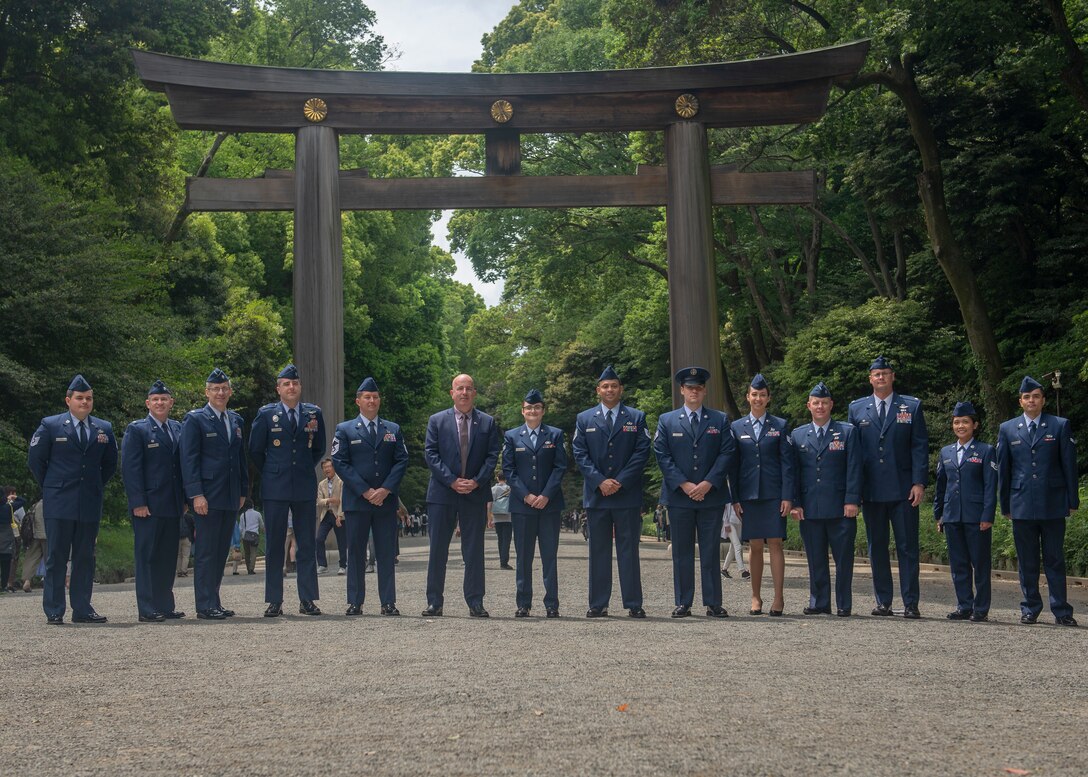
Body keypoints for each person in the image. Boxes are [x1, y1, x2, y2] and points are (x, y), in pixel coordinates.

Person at [27, 374, 118, 624]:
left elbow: (110, 464)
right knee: (56, 557)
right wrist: (52, 485)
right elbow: (36, 461)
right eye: (79, 398)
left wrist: (94, 485)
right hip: (59, 502)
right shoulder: (51, 425)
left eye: (88, 398)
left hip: (89, 501)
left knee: (85, 557)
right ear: (68, 400)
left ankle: (82, 609)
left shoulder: (103, 428)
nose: (84, 402)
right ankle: (54, 610)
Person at [848, 356, 928, 619]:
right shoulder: (857, 409)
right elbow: (854, 453)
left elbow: (919, 446)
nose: (880, 377)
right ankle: (883, 601)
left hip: (903, 489)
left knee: (907, 547)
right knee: (877, 547)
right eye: (876, 374)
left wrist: (919, 482)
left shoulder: (911, 406)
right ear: (870, 378)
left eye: (885, 373)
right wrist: (855, 490)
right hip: (872, 490)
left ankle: (911, 602)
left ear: (892, 376)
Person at [997, 376, 1079, 626]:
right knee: (1027, 560)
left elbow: (1069, 465)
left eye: (1035, 396)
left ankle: (1061, 610)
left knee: (1054, 558)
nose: (1031, 400)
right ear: (1020, 401)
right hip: (1021, 503)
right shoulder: (1008, 428)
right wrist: (1005, 504)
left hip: (1053, 502)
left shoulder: (1059, 425)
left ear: (1043, 400)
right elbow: (1004, 470)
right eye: (1027, 397)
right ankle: (1030, 607)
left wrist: (1072, 500)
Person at [654, 367, 735, 618]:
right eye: (690, 388)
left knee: (710, 550)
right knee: (682, 552)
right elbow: (662, 455)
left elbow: (727, 453)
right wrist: (685, 484)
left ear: (704, 391)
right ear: (682, 390)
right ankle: (683, 602)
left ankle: (713, 602)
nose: (694, 392)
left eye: (698, 388)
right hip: (680, 496)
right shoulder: (667, 420)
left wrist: (708, 482)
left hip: (711, 495)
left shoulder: (719, 419)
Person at [572, 365, 651, 619]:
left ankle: (633, 603)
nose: (609, 390)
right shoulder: (584, 418)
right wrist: (600, 481)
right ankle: (598, 603)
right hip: (597, 495)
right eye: (605, 386)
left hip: (626, 494)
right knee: (598, 551)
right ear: (598, 390)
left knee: (629, 551)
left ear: (621, 389)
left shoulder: (636, 417)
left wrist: (619, 481)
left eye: (614, 386)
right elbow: (579, 453)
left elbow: (642, 452)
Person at [249, 363, 326, 617]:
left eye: (294, 383)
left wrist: (301, 468)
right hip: (275, 487)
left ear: (300, 386)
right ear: (278, 389)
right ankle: (274, 600)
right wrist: (274, 470)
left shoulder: (313, 414)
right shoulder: (266, 414)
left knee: (306, 544)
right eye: (286, 384)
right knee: (274, 545)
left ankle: (307, 599)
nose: (291, 387)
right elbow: (256, 450)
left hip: (303, 485)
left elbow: (319, 448)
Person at [422, 374, 500, 618]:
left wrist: (476, 481)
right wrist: (452, 481)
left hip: (475, 493)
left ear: (474, 393)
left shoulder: (487, 422)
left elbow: (492, 455)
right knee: (438, 550)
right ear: (452, 393)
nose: (464, 393)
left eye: (468, 388)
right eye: (460, 388)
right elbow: (431, 454)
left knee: (474, 550)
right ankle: (434, 602)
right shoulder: (436, 420)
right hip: (442, 493)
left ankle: (475, 602)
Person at [331, 377, 409, 616]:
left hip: (385, 501)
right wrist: (364, 490)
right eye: (367, 397)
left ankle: (388, 602)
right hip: (357, 501)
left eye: (375, 397)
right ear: (358, 401)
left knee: (386, 553)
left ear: (379, 400)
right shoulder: (345, 429)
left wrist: (385, 489)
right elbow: (339, 462)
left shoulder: (392, 429)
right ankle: (355, 602)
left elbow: (401, 460)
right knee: (355, 552)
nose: (372, 401)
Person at [179, 368, 249, 621]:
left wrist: (243, 490)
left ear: (230, 392)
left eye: (224, 388)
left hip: (230, 495)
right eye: (215, 389)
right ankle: (205, 604)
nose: (220, 393)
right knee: (207, 551)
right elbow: (189, 460)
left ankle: (214, 600)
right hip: (207, 496)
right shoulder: (195, 419)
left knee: (220, 552)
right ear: (206, 392)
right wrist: (196, 494)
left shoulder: (236, 420)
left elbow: (240, 459)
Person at [789, 382, 862, 617]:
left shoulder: (847, 432)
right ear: (808, 406)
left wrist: (852, 500)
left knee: (844, 560)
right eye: (816, 403)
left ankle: (843, 604)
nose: (820, 406)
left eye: (824, 403)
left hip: (841, 507)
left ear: (831, 405)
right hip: (810, 507)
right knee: (815, 558)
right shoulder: (798, 435)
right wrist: (795, 503)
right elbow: (793, 472)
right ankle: (819, 601)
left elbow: (854, 467)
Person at [120, 380, 185, 622]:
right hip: (148, 505)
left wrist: (185, 499)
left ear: (171, 402)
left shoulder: (177, 428)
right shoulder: (137, 430)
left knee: (167, 557)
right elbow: (131, 468)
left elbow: (182, 468)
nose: (160, 403)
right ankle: (147, 608)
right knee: (147, 557)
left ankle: (164, 605)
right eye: (155, 399)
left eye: (164, 399)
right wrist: (138, 501)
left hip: (173, 503)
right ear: (148, 403)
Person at [730, 373, 793, 616]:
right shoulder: (737, 427)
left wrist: (787, 496)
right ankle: (755, 596)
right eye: (754, 394)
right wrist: (735, 498)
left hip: (774, 493)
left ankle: (778, 597)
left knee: (775, 543)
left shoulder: (780, 425)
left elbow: (787, 464)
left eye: (762, 395)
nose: (758, 398)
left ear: (768, 398)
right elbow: (733, 466)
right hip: (749, 494)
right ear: (747, 397)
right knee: (755, 545)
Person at [501, 388, 568, 618]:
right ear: (522, 411)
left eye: (537, 407)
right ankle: (523, 603)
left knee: (549, 556)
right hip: (522, 506)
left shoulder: (555, 435)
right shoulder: (512, 436)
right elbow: (509, 470)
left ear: (543, 411)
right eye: (529, 408)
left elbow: (560, 467)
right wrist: (526, 495)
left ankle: (552, 604)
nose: (533, 411)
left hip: (550, 505)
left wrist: (546, 494)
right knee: (523, 557)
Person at [934, 401, 996, 622]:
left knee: (980, 564)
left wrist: (987, 515)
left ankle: (981, 608)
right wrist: (939, 514)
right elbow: (941, 485)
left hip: (976, 516)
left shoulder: (986, 450)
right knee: (958, 564)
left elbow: (990, 486)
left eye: (965, 422)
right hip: (952, 515)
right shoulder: (946, 452)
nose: (960, 426)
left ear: (975, 425)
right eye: (956, 422)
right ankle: (964, 606)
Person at [315, 458, 346, 575]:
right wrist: (329, 500)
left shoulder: (341, 481)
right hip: (326, 514)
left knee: (341, 541)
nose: (326, 469)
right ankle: (322, 565)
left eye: (329, 466)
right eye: (324, 467)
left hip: (338, 514)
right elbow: (319, 501)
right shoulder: (321, 484)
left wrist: (340, 515)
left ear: (334, 467)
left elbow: (342, 500)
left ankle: (343, 565)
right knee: (319, 538)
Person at [487, 472, 513, 570]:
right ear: (506, 478)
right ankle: (504, 562)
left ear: (497, 478)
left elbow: (489, 504)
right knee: (507, 540)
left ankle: (502, 561)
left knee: (500, 540)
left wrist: (489, 518)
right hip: (508, 517)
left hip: (497, 517)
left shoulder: (493, 489)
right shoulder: (510, 488)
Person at [20, 498, 46, 592]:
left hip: (34, 535)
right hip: (47, 535)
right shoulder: (51, 505)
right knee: (49, 559)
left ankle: (27, 581)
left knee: (31, 558)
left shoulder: (35, 505)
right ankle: (50, 581)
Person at [720, 503, 748, 580]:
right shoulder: (728, 495)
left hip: (739, 522)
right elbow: (724, 508)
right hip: (730, 522)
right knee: (738, 546)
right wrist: (726, 524)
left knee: (733, 548)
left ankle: (724, 569)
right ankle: (742, 571)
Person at [235, 499, 263, 575]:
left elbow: (240, 528)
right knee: (253, 553)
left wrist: (240, 536)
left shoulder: (242, 515)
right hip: (254, 535)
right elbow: (261, 525)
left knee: (247, 553)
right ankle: (251, 569)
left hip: (245, 536)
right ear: (252, 505)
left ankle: (248, 568)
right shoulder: (257, 514)